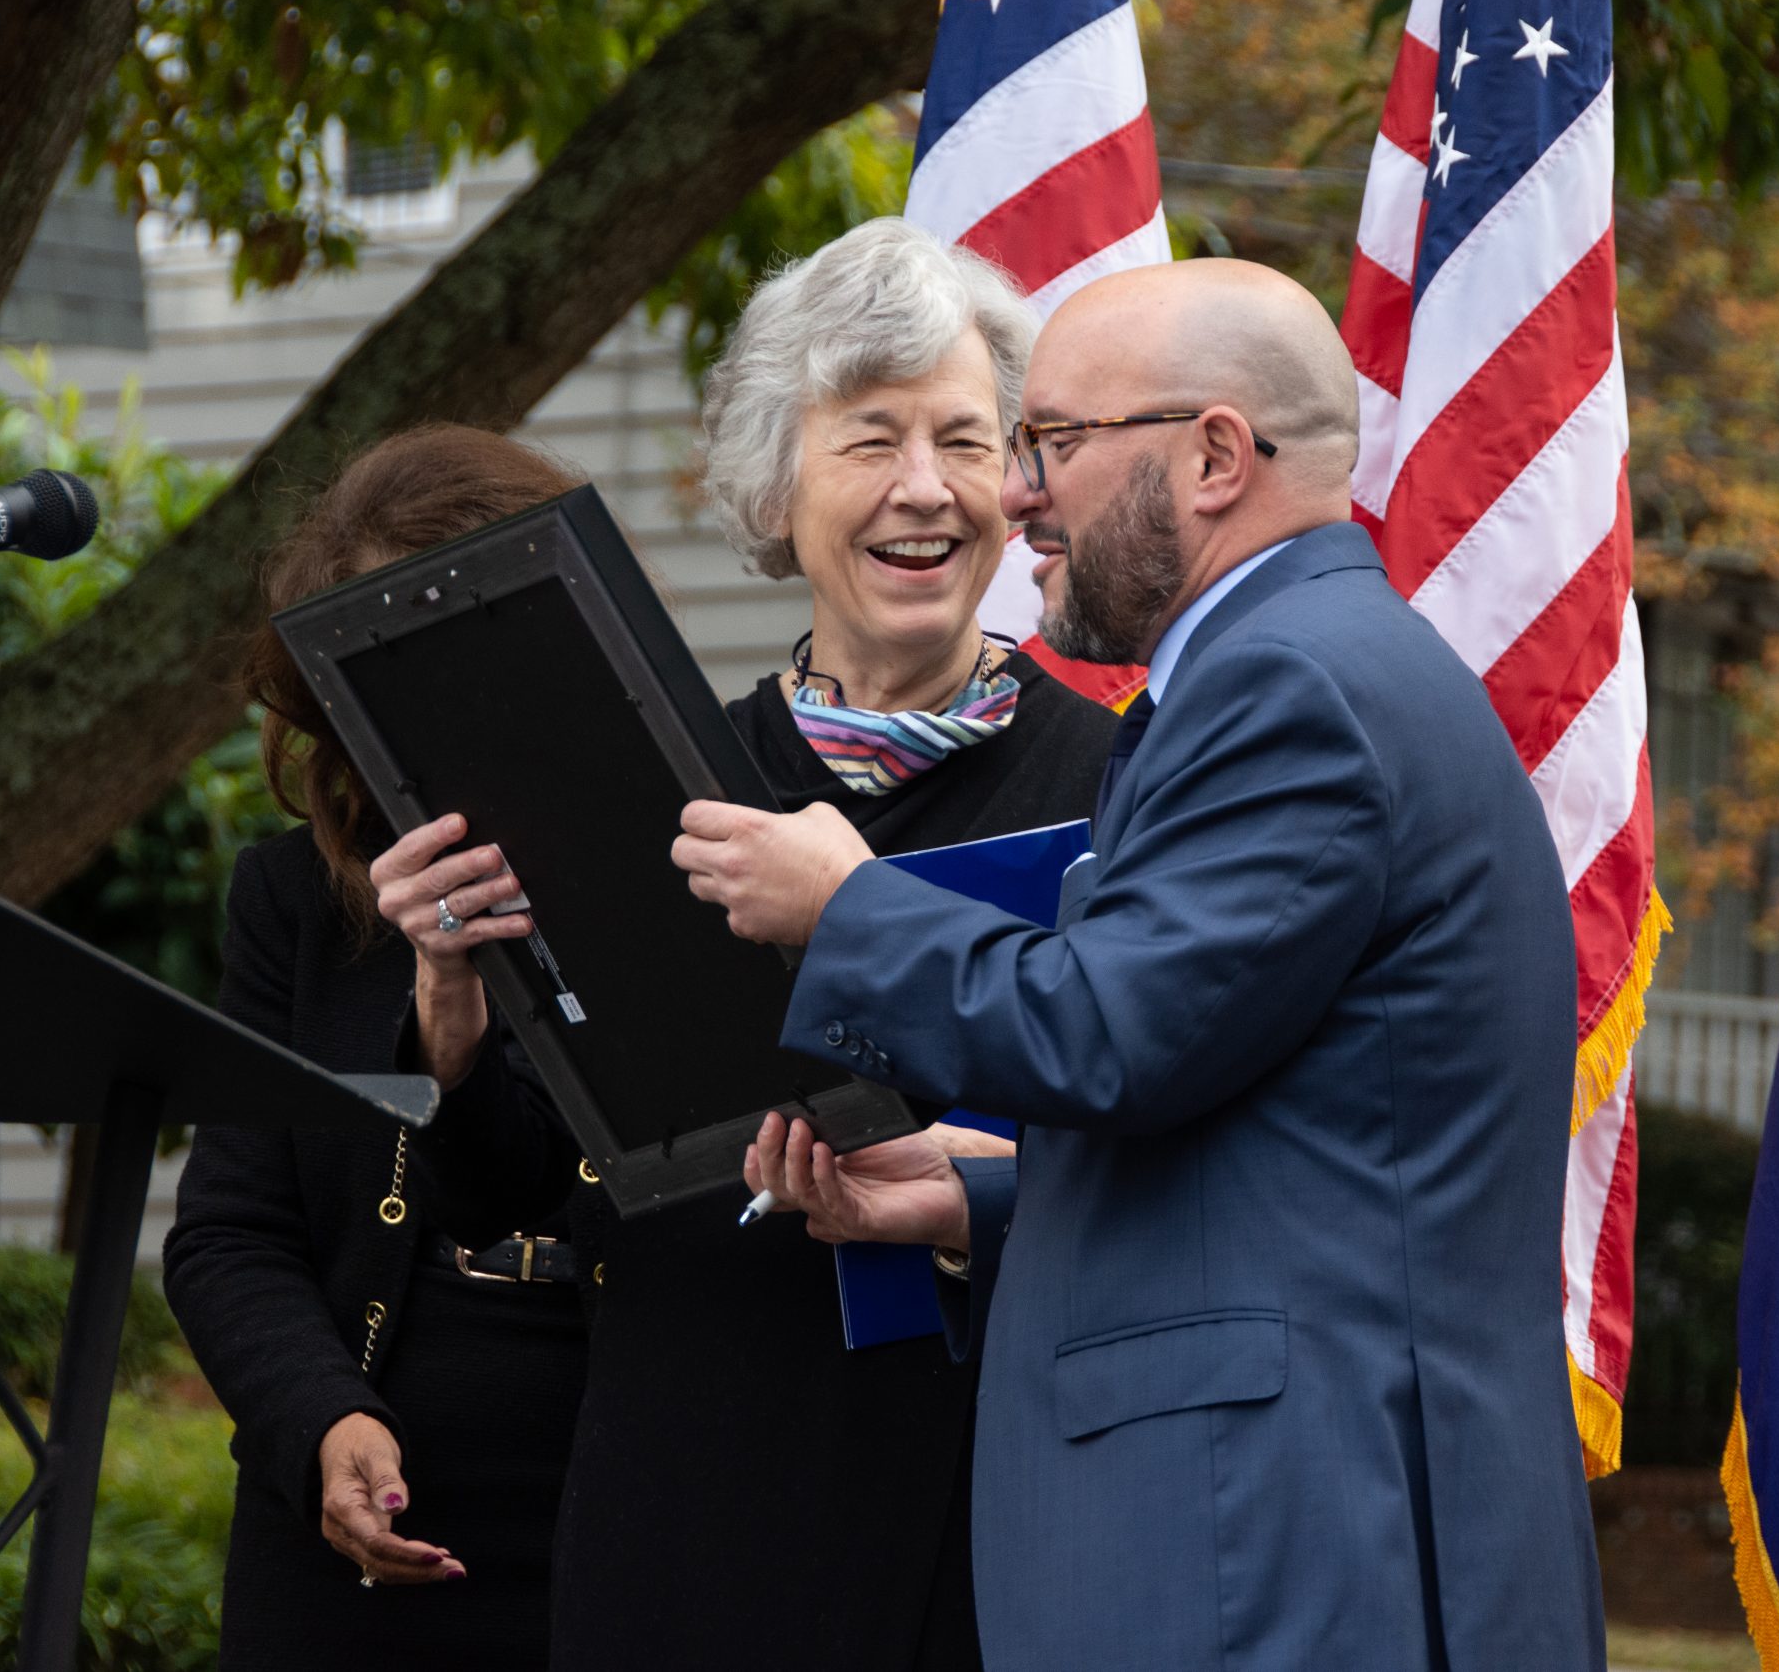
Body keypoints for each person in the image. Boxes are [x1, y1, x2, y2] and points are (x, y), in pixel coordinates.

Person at [675, 257, 1610, 1671]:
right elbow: (1279, 1136)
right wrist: (976, 1195)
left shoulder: (1290, 684)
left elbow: (1112, 1030)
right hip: (1283, 1534)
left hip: (1279, 1548)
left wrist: (849, 904)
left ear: (1216, 455)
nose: (1018, 494)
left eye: (1051, 441)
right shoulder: (1294, 667)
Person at [373, 217, 1117, 1671]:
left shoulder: (1123, 784)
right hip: (698, 1506)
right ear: (776, 489)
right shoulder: (659, 783)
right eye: (869, 439)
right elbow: (508, 1180)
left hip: (1000, 1512)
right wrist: (451, 997)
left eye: (967, 440)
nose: (925, 489)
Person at [163, 427, 594, 1670]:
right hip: (355, 1544)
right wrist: (321, 1422)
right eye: (388, 669)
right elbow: (229, 1230)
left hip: (621, 1504)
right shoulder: (292, 902)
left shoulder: (700, 866)